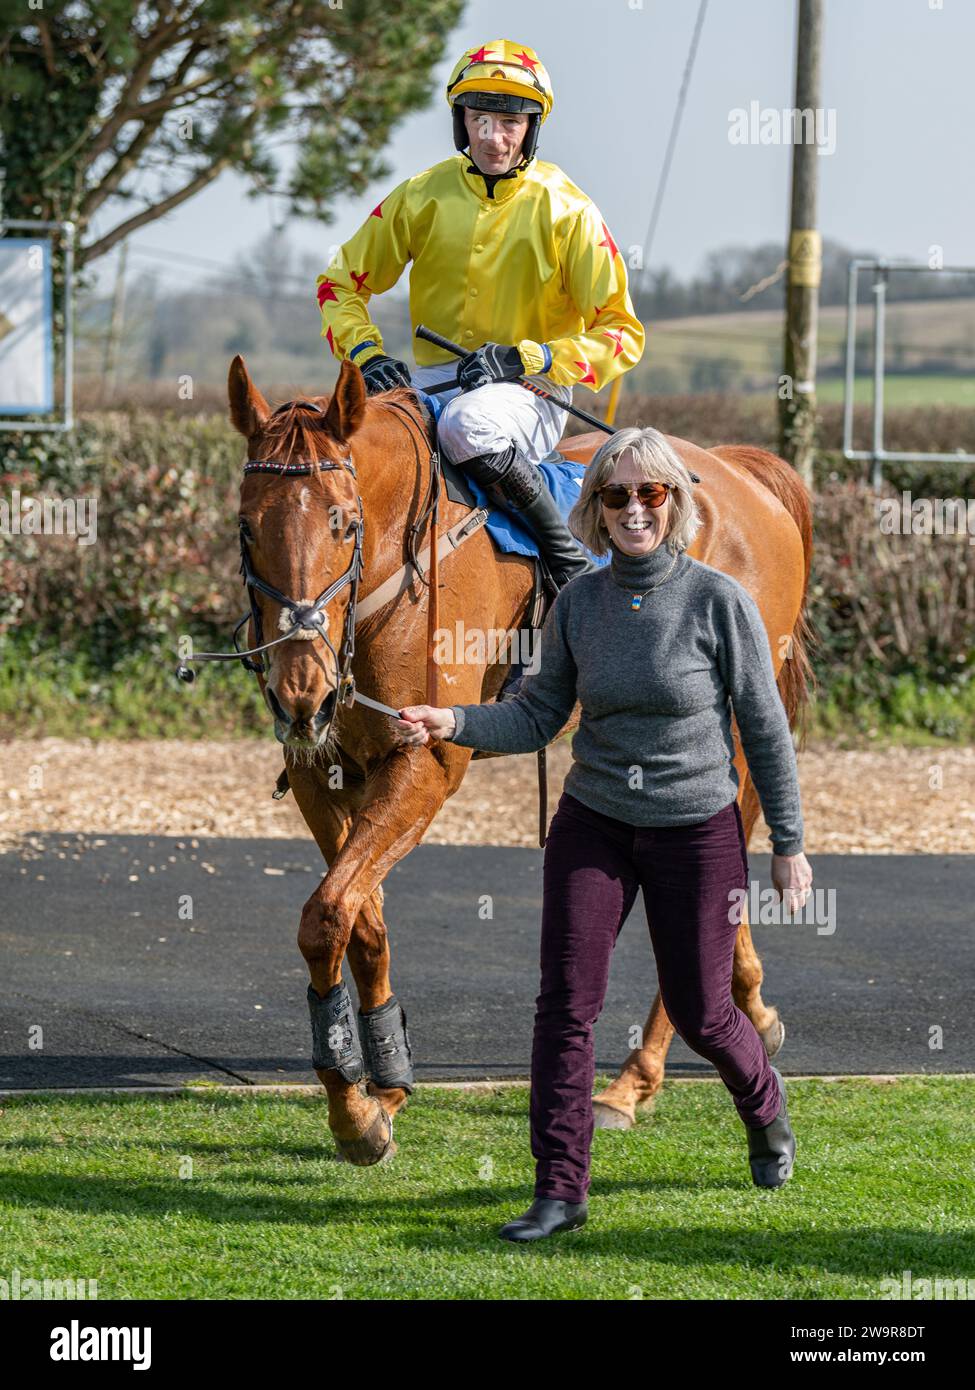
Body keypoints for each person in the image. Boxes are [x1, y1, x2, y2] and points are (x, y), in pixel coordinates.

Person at [394, 425, 814, 1243]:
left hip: (695, 828)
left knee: (701, 1012)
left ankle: (763, 1108)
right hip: (594, 825)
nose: (632, 509)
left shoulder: (718, 603)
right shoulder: (580, 603)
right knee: (564, 1007)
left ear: (677, 503)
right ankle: (559, 1190)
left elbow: (764, 732)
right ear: (593, 510)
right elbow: (540, 714)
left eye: (649, 493)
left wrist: (788, 845)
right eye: (615, 495)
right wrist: (451, 719)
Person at [315, 38, 645, 596]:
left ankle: (566, 559)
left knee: (466, 424)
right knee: (347, 449)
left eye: (510, 122)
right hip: (427, 383)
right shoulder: (421, 195)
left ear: (532, 127)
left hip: (531, 392)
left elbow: (621, 335)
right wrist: (366, 354)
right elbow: (337, 284)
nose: (493, 137)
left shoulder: (570, 211)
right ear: (460, 121)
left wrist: (528, 356)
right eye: (480, 119)